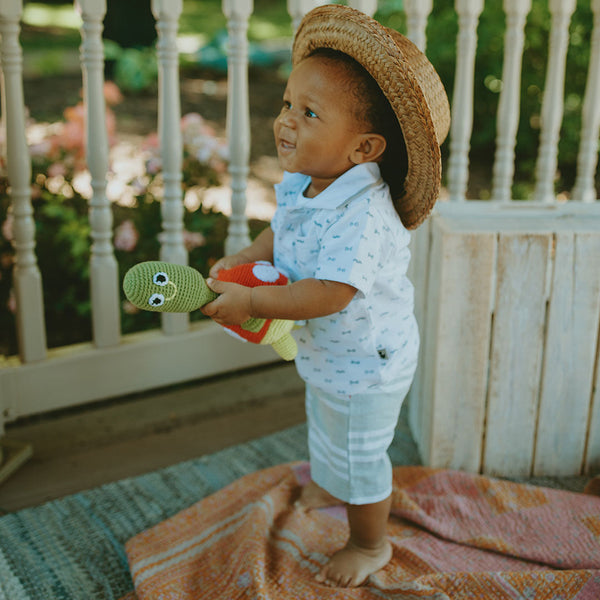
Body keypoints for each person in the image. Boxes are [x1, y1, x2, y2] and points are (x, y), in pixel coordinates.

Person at [201, 4, 450, 588]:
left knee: (363, 453)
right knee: (323, 420)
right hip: (328, 354)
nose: (286, 120)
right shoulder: (305, 178)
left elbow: (331, 293)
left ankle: (370, 542)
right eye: (288, 103)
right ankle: (328, 479)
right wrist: (247, 258)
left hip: (368, 362)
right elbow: (281, 230)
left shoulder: (364, 216)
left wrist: (254, 304)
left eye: (309, 113)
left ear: (364, 149)